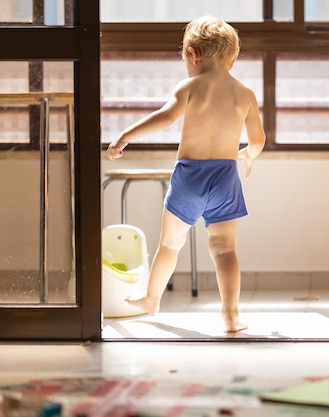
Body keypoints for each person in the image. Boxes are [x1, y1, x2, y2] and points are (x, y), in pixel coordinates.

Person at [106, 15, 265, 333]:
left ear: (192, 54)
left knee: (170, 244)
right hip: (225, 176)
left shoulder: (190, 86)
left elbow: (165, 117)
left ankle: (152, 298)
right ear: (232, 59)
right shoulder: (245, 93)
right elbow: (258, 139)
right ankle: (231, 316)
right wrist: (248, 153)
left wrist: (126, 136)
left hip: (190, 175)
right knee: (225, 248)